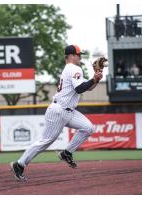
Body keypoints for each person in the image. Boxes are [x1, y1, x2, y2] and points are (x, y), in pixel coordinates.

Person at [10, 45, 103, 181]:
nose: (80, 57)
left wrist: (96, 79)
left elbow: (87, 88)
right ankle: (19, 164)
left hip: (68, 111)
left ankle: (67, 153)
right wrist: (93, 79)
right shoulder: (73, 68)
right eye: (78, 54)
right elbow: (79, 89)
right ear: (71, 56)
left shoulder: (72, 69)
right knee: (46, 141)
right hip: (59, 111)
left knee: (88, 128)